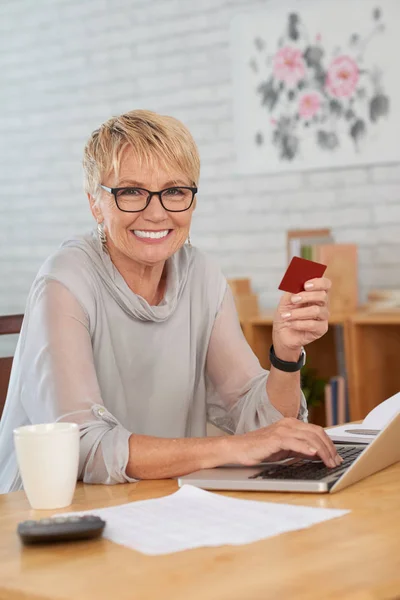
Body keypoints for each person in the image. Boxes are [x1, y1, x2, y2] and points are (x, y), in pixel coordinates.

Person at [0, 110, 341, 493]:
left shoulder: (201, 276)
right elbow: (80, 446)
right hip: (48, 517)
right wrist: (232, 448)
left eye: (175, 191)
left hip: (160, 500)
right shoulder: (63, 280)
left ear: (192, 201)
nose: (157, 212)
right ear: (95, 203)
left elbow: (264, 428)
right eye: (131, 192)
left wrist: (286, 353)